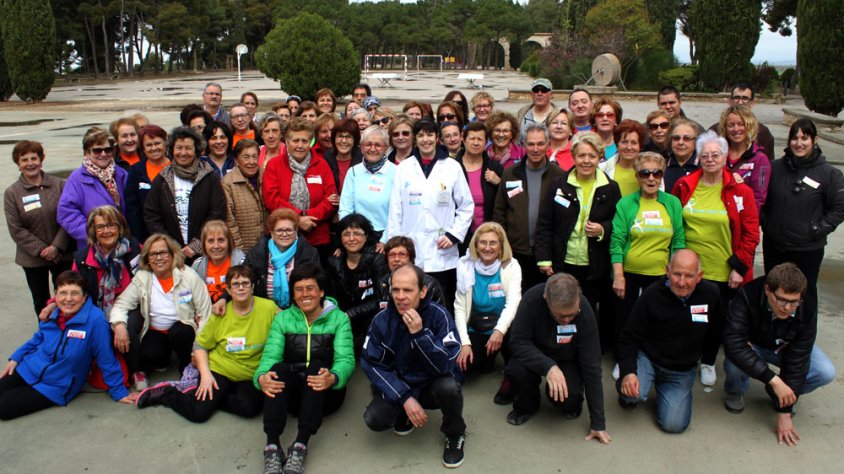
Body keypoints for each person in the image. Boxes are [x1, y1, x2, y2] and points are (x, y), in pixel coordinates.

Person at [136, 265, 277, 424]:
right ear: (228, 291)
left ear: (253, 287)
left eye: (245, 283)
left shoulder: (269, 308)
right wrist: (205, 375)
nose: (241, 288)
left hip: (250, 373)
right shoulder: (220, 312)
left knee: (250, 409)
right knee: (198, 413)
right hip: (220, 369)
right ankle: (167, 394)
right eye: (235, 284)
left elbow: (286, 324)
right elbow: (200, 346)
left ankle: (204, 395)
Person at [672, 130, 759, 386]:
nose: (710, 159)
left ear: (724, 158)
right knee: (684, 316)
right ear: (698, 158)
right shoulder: (685, 185)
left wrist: (740, 267)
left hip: (722, 269)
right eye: (705, 155)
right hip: (687, 268)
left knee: (713, 319)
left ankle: (708, 361)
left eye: (715, 155)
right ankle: (683, 358)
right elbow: (676, 222)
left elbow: (752, 234)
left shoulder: (740, 191)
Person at [362, 264, 466, 469]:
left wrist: (420, 335)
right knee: (374, 419)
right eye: (396, 290)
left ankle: (455, 433)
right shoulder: (381, 320)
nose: (400, 296)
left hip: (431, 383)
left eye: (408, 290)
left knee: (449, 387)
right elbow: (372, 364)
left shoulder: (439, 315)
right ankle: (404, 412)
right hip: (401, 384)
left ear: (423, 291)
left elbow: (445, 365)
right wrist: (405, 397)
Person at [723, 263, 836, 446]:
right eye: (782, 300)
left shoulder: (807, 305)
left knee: (825, 371)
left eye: (794, 302)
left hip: (785, 347)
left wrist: (784, 411)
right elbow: (733, 343)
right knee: (735, 361)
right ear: (768, 290)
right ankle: (735, 392)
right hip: (754, 345)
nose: (787, 308)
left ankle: (781, 395)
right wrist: (774, 380)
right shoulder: (747, 295)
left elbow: (798, 359)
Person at [256, 265, 354, 474]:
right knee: (277, 369)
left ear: (321, 292)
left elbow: (345, 359)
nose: (305, 294)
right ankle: (272, 447)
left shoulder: (339, 319)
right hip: (293, 396)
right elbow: (269, 356)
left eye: (311, 288)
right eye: (299, 290)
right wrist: (262, 377)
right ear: (293, 294)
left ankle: (300, 445)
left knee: (318, 367)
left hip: (325, 394)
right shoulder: (283, 319)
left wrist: (334, 378)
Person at [0, 271, 135, 420]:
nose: (68, 299)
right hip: (29, 367)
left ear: (84, 298)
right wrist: (16, 358)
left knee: (4, 407)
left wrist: (119, 392)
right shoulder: (53, 313)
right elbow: (37, 339)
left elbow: (106, 358)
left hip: (56, 386)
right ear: (56, 295)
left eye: (75, 293)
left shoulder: (96, 321)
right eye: (63, 293)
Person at [616, 249, 722, 433]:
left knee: (674, 425)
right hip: (648, 358)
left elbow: (716, 332)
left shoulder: (711, 295)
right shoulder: (651, 295)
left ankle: (666, 393)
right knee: (632, 395)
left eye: (689, 276)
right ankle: (632, 387)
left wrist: (708, 360)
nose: (681, 282)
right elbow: (629, 337)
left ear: (700, 276)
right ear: (667, 271)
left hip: (681, 370)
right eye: (676, 274)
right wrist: (628, 372)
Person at [535, 131, 621, 351]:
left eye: (592, 156)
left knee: (587, 310)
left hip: (593, 263)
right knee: (559, 306)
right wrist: (544, 258)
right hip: (564, 259)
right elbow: (545, 223)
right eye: (582, 155)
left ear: (600, 157)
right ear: (574, 156)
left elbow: (617, 223)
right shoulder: (558, 184)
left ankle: (586, 350)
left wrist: (603, 229)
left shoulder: (611, 188)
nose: (586, 161)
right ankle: (560, 349)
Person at [505, 274, 610, 441]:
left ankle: (573, 402)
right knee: (516, 370)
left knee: (568, 399)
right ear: (546, 299)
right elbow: (517, 343)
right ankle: (527, 406)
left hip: (567, 359)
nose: (567, 321)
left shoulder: (584, 309)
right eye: (560, 316)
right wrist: (548, 367)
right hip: (535, 354)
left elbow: (592, 365)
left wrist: (598, 422)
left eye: (572, 315)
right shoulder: (531, 300)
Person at [386, 119, 473, 315]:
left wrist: (453, 234)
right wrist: (397, 248)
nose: (426, 140)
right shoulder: (404, 168)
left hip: (442, 250)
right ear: (415, 139)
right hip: (412, 249)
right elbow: (395, 210)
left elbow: (466, 206)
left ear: (437, 138)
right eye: (421, 135)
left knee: (441, 306)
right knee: (411, 304)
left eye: (430, 135)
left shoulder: (452, 167)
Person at [761, 118, 844, 323]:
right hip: (775, 245)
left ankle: (803, 337)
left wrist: (818, 229)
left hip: (807, 249)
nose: (799, 143)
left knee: (804, 295)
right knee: (774, 291)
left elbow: (840, 207)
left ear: (814, 140)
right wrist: (767, 223)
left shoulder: (829, 173)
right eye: (795, 138)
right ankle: (771, 331)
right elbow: (762, 200)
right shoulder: (775, 168)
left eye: (804, 138)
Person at [610, 152, 684, 377]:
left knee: (657, 320)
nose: (651, 178)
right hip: (630, 273)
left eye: (657, 173)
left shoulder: (672, 203)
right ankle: (624, 360)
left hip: (661, 275)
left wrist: (677, 274)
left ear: (662, 176)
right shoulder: (626, 203)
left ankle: (652, 361)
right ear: (637, 176)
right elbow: (617, 240)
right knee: (626, 321)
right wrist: (618, 275)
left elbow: (679, 239)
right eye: (645, 173)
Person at [110, 233, 212, 379]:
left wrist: (197, 350)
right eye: (153, 254)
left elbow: (205, 313)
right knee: (149, 355)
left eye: (163, 252)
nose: (158, 258)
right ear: (147, 258)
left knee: (181, 333)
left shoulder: (188, 276)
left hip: (183, 328)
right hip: (156, 330)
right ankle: (163, 359)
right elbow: (121, 304)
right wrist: (119, 325)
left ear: (172, 254)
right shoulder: (142, 277)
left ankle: (187, 362)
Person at [454, 222, 521, 403]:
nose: (487, 247)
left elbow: (513, 303)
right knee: (465, 366)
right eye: (482, 242)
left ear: (501, 246)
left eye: (493, 243)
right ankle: (486, 358)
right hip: (476, 326)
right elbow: (459, 308)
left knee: (517, 342)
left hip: (504, 328)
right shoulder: (465, 267)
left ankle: (510, 376)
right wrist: (465, 344)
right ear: (475, 245)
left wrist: (499, 331)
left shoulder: (511, 266)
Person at [494, 124, 565, 294]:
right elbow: (499, 213)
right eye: (530, 144)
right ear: (523, 145)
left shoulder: (559, 175)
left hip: (548, 254)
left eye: (540, 144)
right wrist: (503, 247)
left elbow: (563, 217)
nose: (535, 149)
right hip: (516, 253)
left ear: (548, 145)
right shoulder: (510, 174)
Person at [5, 140, 72, 316]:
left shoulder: (60, 185)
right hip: (32, 258)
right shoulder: (12, 193)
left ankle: (69, 335)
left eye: (34, 158)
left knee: (68, 298)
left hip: (62, 254)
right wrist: (43, 249)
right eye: (24, 160)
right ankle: (47, 336)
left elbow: (69, 217)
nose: (30, 163)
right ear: (18, 164)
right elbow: (15, 228)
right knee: (41, 301)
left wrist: (56, 246)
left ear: (41, 159)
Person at [144, 126, 227, 262]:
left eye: (188, 148)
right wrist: (171, 246)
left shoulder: (209, 176)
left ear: (196, 150)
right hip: (171, 254)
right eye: (179, 148)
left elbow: (218, 212)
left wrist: (196, 245)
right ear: (172, 150)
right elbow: (151, 214)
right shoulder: (163, 178)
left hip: (205, 251)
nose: (183, 153)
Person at [262, 118, 339, 263]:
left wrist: (308, 216)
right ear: (287, 141)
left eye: (304, 141)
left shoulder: (321, 164)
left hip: (317, 236)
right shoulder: (274, 165)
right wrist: (297, 219)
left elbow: (331, 199)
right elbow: (272, 199)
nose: (300, 145)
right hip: (284, 237)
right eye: (295, 140)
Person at [326, 214, 389, 353]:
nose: (352, 239)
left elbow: (382, 298)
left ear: (366, 236)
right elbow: (331, 297)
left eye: (357, 234)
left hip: (371, 316)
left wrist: (350, 314)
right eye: (346, 234)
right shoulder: (334, 261)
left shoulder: (377, 259)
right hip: (343, 318)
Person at [58, 127, 128, 248]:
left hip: (123, 243)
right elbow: (67, 214)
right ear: (87, 152)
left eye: (108, 150)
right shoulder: (76, 179)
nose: (103, 154)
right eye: (97, 151)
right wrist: (95, 234)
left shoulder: (122, 174)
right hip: (93, 247)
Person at [241, 209, 321, 310]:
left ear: (296, 231)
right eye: (279, 230)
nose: (284, 234)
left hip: (298, 311)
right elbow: (240, 278)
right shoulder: (257, 253)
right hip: (264, 310)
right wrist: (224, 298)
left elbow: (318, 285)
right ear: (271, 233)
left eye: (289, 230)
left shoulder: (309, 254)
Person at [338, 126, 395, 248]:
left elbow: (397, 213)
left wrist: (385, 240)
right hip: (358, 236)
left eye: (378, 145)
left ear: (385, 148)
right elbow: (345, 208)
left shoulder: (396, 172)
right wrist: (348, 235)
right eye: (368, 144)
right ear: (362, 147)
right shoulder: (353, 172)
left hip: (386, 236)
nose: (372, 149)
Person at [718, 105, 771, 211]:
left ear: (749, 126)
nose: (736, 129)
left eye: (741, 124)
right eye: (731, 125)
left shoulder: (760, 160)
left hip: (743, 219)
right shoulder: (718, 154)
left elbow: (758, 199)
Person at [455, 122, 503, 240]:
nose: (476, 143)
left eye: (480, 139)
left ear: (486, 142)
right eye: (472, 138)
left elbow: (506, 201)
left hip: (488, 234)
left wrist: (499, 183)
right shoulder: (452, 167)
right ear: (463, 139)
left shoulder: (495, 168)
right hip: (459, 233)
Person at [709, 82, 775, 161]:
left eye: (745, 98)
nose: (740, 102)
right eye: (737, 97)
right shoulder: (715, 130)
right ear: (730, 101)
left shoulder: (762, 132)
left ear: (752, 103)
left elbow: (768, 163)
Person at [125, 124, 169, 242]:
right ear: (143, 148)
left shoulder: (176, 166)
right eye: (149, 145)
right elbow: (132, 209)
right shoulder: (136, 171)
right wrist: (140, 241)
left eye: (157, 143)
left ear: (165, 143)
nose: (154, 148)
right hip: (147, 237)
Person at [377, 236, 446, 310]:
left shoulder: (430, 284)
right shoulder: (382, 283)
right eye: (392, 255)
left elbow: (438, 317)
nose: (396, 259)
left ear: (411, 259)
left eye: (402, 254)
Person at [222, 139, 267, 251]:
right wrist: (239, 252)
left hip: (269, 247)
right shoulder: (228, 183)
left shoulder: (267, 176)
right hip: (245, 249)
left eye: (255, 156)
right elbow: (230, 222)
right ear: (237, 160)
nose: (251, 162)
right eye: (246, 157)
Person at [191, 220, 247, 303]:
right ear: (204, 244)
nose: (216, 246)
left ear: (229, 242)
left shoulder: (242, 263)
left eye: (221, 240)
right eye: (210, 241)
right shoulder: (197, 266)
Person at [600, 119, 646, 197]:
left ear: (640, 146)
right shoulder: (603, 169)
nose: (629, 147)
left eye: (634, 143)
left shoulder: (651, 171)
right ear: (617, 145)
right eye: (624, 142)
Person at [324, 119, 363, 196]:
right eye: (340, 136)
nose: (344, 141)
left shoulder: (363, 159)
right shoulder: (327, 157)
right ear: (334, 139)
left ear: (355, 140)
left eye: (348, 137)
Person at [662, 119, 700, 192]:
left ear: (695, 141)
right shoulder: (662, 166)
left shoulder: (704, 166)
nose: (681, 142)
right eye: (676, 138)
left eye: (687, 138)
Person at [517, 78, 556, 144]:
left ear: (551, 94)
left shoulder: (560, 115)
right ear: (531, 94)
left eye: (544, 90)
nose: (539, 93)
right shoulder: (521, 114)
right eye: (536, 90)